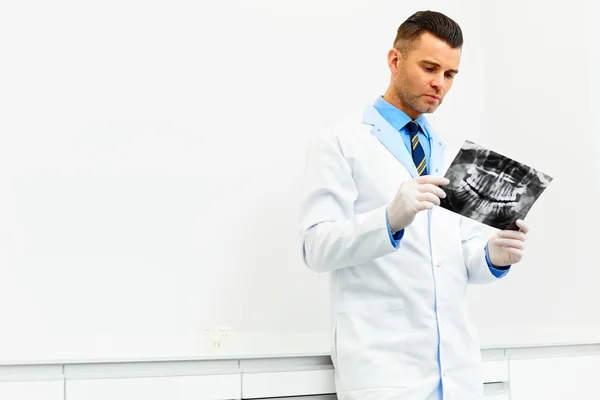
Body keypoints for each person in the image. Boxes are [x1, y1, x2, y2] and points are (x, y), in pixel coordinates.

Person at [298, 10, 529, 400]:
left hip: (456, 371)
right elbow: (315, 248)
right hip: (383, 366)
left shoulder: (454, 151)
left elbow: (458, 260)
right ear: (395, 60)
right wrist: (390, 219)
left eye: (450, 75)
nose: (439, 83)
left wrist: (493, 254)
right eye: (429, 67)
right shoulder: (341, 141)